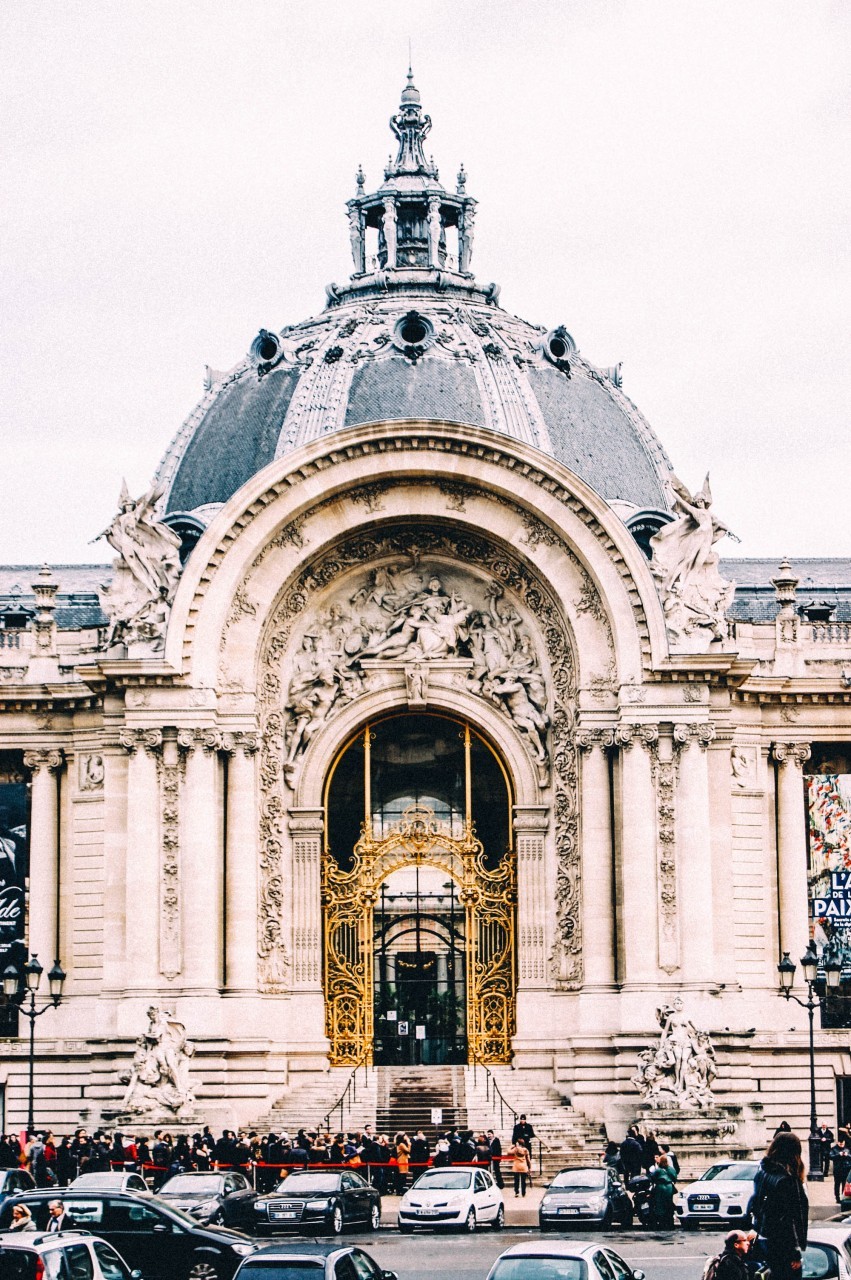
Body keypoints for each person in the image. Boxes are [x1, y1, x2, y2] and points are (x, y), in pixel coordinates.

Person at [751, 1131, 809, 1280]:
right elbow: (791, 1220)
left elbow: (755, 1206)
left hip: (766, 1242)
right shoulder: (787, 1181)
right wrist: (795, 1252)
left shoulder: (763, 1173)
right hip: (783, 1247)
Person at [647, 1153, 677, 1229]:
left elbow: (652, 1178)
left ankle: (662, 1222)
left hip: (660, 1187)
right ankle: (670, 1222)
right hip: (669, 1187)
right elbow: (675, 1178)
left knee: (660, 1205)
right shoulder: (671, 1169)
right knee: (669, 1203)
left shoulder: (658, 1170)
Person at [830, 1135, 851, 1204]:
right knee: (837, 1184)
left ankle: (843, 1198)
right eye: (840, 1143)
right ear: (838, 1142)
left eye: (842, 1143)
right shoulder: (834, 1149)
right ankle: (837, 1198)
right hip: (837, 1170)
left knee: (844, 1185)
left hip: (845, 1169)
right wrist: (839, 1155)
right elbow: (830, 1156)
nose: (841, 1145)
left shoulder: (847, 1149)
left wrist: (847, 1155)